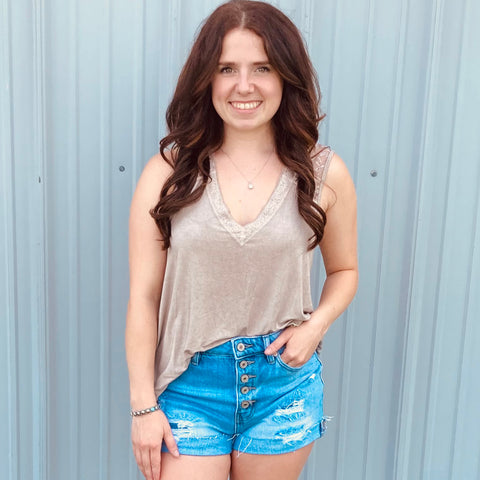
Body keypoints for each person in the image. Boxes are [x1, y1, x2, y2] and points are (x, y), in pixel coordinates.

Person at [125, 1, 358, 479]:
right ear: (206, 79)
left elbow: (345, 271)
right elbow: (144, 298)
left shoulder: (322, 172)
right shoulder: (168, 174)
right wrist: (143, 406)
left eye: (262, 68)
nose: (244, 85)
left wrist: (315, 327)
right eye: (226, 68)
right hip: (189, 386)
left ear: (286, 77)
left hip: (283, 386)